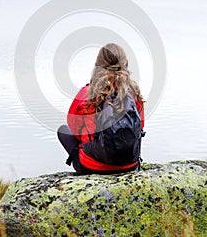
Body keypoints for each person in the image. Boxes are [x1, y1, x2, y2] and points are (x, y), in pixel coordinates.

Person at [57, 43, 145, 174]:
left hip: (92, 166)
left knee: (63, 131)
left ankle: (91, 163)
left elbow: (75, 128)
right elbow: (140, 127)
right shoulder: (134, 93)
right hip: (129, 164)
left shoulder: (86, 93)